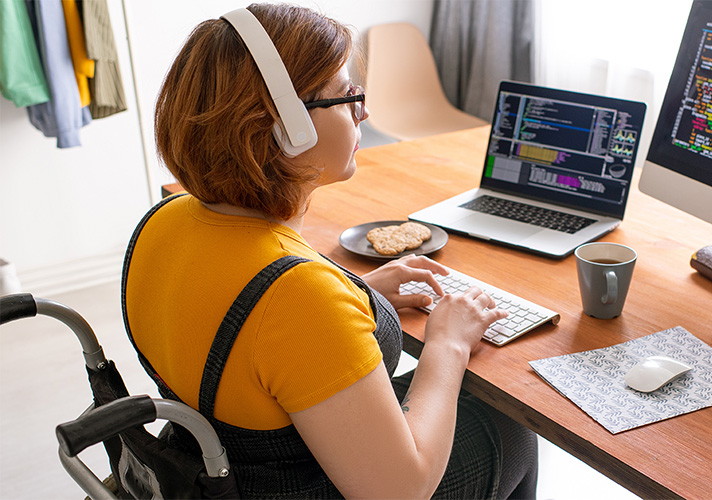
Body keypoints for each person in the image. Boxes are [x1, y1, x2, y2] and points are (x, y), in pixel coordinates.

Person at [122, 4, 538, 498]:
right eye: (346, 96)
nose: (364, 111)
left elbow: (254, 330)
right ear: (285, 126)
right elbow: (401, 490)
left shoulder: (163, 219)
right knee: (513, 424)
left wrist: (354, 293)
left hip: (214, 463)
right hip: (298, 486)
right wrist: (447, 342)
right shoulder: (298, 299)